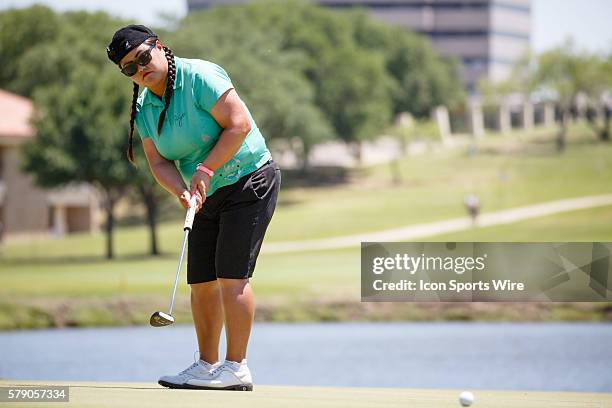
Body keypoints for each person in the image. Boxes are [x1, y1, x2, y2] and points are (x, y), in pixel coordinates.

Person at [106, 24, 281, 391]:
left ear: (159, 47)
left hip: (249, 178)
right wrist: (181, 192)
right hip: (205, 193)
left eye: (143, 57)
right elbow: (158, 163)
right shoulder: (144, 107)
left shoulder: (199, 75)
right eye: (129, 68)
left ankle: (237, 367)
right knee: (201, 282)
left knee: (232, 277)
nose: (140, 69)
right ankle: (207, 365)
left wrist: (205, 169)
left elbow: (238, 125)